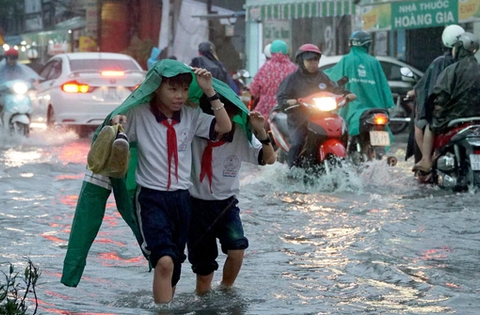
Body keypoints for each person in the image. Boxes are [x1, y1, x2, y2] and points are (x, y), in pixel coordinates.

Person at [108, 60, 232, 304]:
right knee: (164, 261)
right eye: (172, 89)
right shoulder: (138, 114)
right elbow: (117, 130)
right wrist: (117, 124)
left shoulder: (191, 114)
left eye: (184, 89)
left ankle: (165, 305)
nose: (179, 96)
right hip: (151, 199)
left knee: (173, 266)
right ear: (156, 87)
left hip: (182, 199)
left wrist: (209, 91)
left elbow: (224, 127)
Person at [188, 99, 276, 295]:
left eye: (227, 114)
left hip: (226, 205)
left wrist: (261, 131)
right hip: (195, 206)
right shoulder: (194, 131)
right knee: (204, 270)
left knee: (237, 249)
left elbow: (269, 159)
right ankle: (203, 302)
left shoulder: (238, 133)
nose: (222, 122)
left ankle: (226, 290)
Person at [276, 43, 355, 168]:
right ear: (301, 61)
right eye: (309, 60)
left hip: (321, 118)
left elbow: (334, 89)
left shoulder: (322, 77)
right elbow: (282, 97)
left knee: (341, 132)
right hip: (299, 119)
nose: (313, 63)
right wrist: (288, 101)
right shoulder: (292, 79)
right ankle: (291, 172)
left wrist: (347, 94)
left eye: (315, 60)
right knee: (298, 143)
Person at [324, 31, 394, 147]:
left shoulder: (347, 60)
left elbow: (332, 76)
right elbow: (383, 85)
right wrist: (388, 102)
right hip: (375, 108)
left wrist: (315, 79)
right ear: (367, 45)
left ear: (351, 44)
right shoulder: (373, 62)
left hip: (352, 108)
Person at [411, 25, 465, 173]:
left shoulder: (440, 62)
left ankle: (426, 159)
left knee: (424, 124)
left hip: (448, 112)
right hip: (466, 111)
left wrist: (416, 91)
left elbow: (429, 87)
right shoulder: (469, 64)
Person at [429, 32, 480, 137]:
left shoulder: (451, 70)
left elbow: (441, 96)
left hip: (453, 118)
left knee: (429, 125)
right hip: (476, 118)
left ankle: (426, 154)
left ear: (459, 49)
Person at [249, 40, 297, 120]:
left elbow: (254, 91)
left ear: (271, 52)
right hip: (287, 109)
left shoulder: (265, 68)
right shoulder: (293, 68)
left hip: (266, 110)